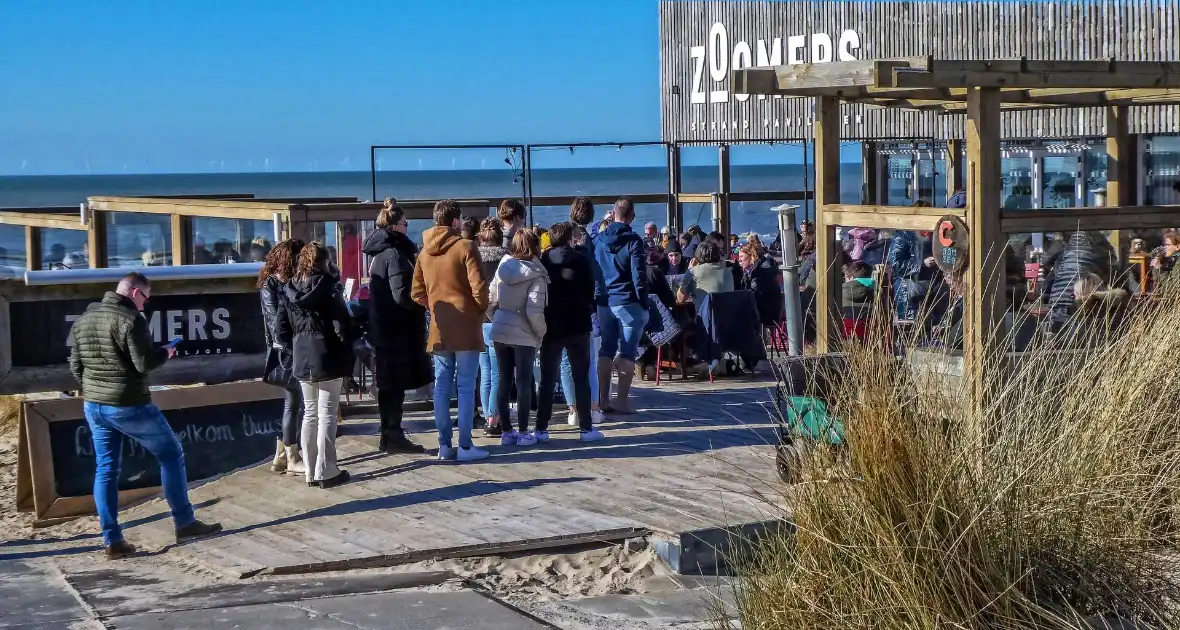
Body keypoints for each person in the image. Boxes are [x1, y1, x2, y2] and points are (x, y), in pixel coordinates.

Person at [68, 272, 222, 558]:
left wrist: (94, 390)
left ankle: (112, 540)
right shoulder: (131, 319)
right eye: (146, 299)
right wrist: (165, 352)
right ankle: (185, 523)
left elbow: (76, 367)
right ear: (136, 293)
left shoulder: (85, 318)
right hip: (128, 403)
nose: (145, 305)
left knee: (106, 469)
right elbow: (143, 364)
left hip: (94, 404)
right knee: (171, 454)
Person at [411, 200, 490, 462]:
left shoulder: (424, 252)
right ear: (455, 221)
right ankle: (465, 446)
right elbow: (479, 289)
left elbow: (416, 293)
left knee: (442, 386)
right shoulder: (466, 246)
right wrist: (477, 310)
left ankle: (444, 445)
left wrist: (435, 307)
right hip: (466, 326)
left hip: (440, 327)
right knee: (465, 387)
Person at [276, 242, 358, 488]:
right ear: (324, 261)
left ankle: (310, 471)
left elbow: (280, 331)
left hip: (302, 356)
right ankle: (327, 470)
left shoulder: (288, 289)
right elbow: (342, 326)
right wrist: (346, 350)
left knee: (310, 414)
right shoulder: (329, 287)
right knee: (327, 414)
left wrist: (296, 348)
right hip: (328, 355)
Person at [363, 200, 432, 454]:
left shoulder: (380, 253)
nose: (407, 227)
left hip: (385, 328)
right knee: (394, 385)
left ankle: (389, 433)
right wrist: (422, 305)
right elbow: (401, 295)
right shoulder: (393, 254)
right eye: (405, 223)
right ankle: (392, 433)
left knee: (389, 384)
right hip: (396, 329)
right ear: (394, 227)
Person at [537, 222, 603, 442]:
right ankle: (586, 427)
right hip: (578, 323)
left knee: (547, 379)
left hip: (551, 325)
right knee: (581, 377)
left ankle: (541, 428)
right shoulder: (581, 260)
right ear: (569, 238)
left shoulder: (544, 261)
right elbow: (591, 290)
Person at [490, 229, 550, 445]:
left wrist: (497, 318)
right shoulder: (537, 273)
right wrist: (541, 332)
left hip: (500, 328)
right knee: (524, 383)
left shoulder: (503, 268)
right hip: (524, 333)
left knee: (503, 381)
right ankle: (524, 432)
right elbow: (534, 311)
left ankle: (506, 431)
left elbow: (490, 299)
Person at [592, 197, 649, 415]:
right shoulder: (634, 241)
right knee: (628, 352)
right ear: (632, 216)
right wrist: (644, 302)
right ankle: (622, 402)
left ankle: (603, 399)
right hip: (628, 301)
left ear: (613, 213)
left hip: (605, 302)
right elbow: (639, 276)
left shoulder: (598, 240)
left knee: (606, 349)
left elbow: (594, 272)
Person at [258, 238, 306, 475]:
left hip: (293, 347)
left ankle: (282, 455)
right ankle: (291, 456)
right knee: (295, 403)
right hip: (285, 352)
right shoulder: (271, 285)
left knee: (294, 403)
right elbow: (275, 323)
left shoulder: (287, 282)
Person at [560, 198, 607, 427]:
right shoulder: (589, 241)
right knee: (589, 361)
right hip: (584, 307)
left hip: (562, 307)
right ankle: (594, 407)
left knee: (566, 363)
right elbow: (595, 276)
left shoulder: (561, 236)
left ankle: (573, 410)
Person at [1044, 231, 1117, 332]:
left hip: (1058, 301)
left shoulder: (1063, 252)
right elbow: (1112, 262)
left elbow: (1046, 261)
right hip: (1082, 297)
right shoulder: (1097, 242)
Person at [476, 218, 509, 436]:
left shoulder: (474, 259)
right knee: (498, 373)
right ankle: (493, 419)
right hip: (498, 319)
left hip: (479, 321)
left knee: (486, 373)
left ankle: (488, 413)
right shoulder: (505, 260)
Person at [738, 243, 783, 327]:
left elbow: (755, 296)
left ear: (752, 256)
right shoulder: (760, 266)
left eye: (741, 257)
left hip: (766, 313)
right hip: (770, 310)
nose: (739, 260)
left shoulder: (759, 271)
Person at [679, 239, 734, 305]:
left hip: (705, 311)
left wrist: (689, 270)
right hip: (727, 311)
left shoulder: (694, 272)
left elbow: (681, 298)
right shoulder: (728, 272)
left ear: (698, 254)